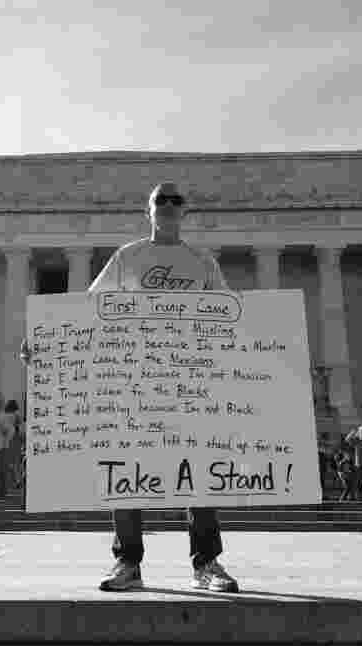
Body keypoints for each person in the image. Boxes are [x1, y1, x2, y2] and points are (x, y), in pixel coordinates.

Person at [82, 182, 238, 593]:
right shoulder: (128, 257)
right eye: (160, 200)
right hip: (136, 383)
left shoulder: (201, 261)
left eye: (176, 201)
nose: (168, 206)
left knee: (199, 474)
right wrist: (46, 340)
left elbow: (229, 317)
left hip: (190, 383)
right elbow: (89, 307)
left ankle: (207, 563)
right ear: (147, 210)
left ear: (185, 211)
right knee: (127, 472)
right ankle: (127, 562)